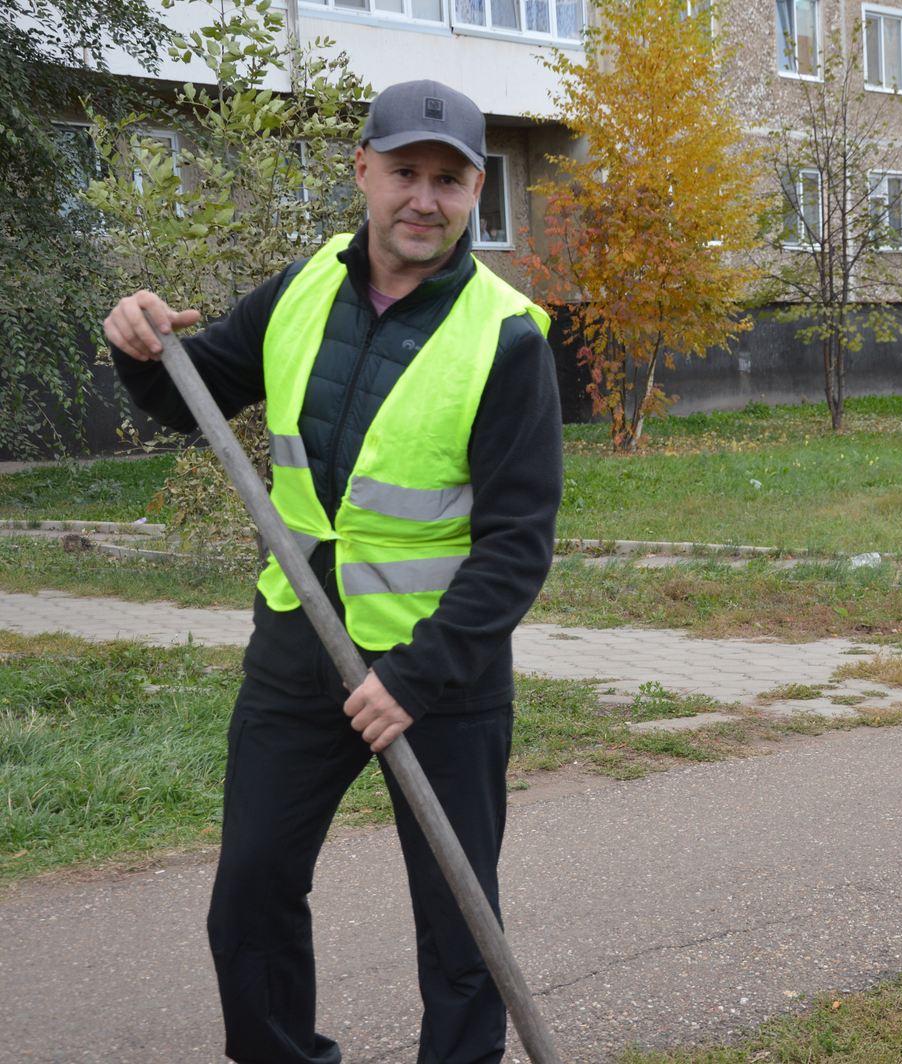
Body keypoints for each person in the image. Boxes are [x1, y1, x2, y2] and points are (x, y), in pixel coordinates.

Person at [102, 80, 562, 1064]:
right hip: (300, 644)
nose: (423, 199)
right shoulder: (303, 288)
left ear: (476, 188)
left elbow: (518, 544)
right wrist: (142, 352)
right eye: (405, 172)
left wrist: (415, 676)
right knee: (252, 891)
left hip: (442, 672)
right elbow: (195, 395)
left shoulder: (505, 337)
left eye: (448, 178)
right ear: (364, 171)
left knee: (460, 925)